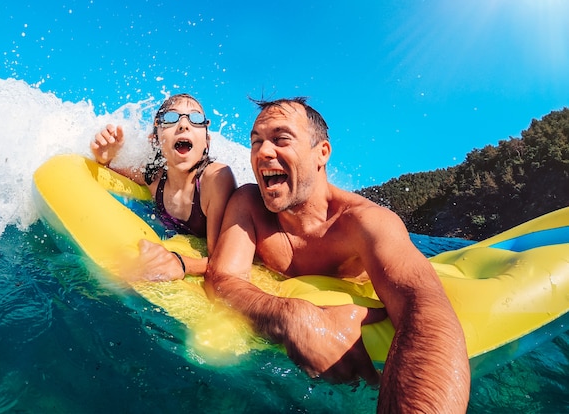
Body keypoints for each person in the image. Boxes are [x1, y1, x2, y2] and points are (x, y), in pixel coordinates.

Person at [203, 97, 470, 413]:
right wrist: (290, 316)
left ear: (322, 153)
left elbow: (422, 305)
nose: (262, 152)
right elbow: (222, 279)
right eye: (256, 142)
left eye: (280, 139)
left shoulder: (363, 222)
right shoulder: (248, 203)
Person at [90, 93, 236, 281]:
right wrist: (104, 156)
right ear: (155, 140)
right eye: (170, 118)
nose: (184, 125)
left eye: (196, 118)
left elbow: (222, 260)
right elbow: (108, 167)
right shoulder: (154, 178)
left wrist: (180, 262)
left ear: (207, 142)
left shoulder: (215, 180)